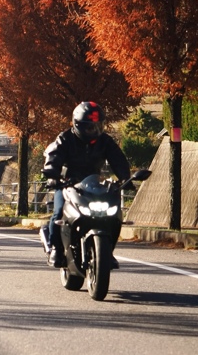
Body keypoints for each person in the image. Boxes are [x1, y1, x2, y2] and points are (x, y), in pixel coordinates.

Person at [42, 101, 131, 267]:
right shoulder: (65, 139)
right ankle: (56, 248)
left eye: (98, 126)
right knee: (59, 212)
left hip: (94, 184)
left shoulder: (105, 141)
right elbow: (54, 157)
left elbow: (118, 160)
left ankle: (107, 251)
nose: (95, 130)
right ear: (78, 125)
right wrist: (53, 175)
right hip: (67, 183)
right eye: (90, 127)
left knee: (112, 215)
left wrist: (125, 178)